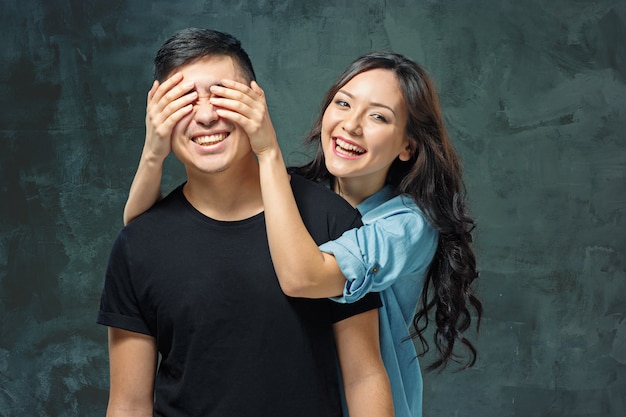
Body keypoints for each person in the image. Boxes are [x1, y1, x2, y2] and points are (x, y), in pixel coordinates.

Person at [124, 48, 482, 416]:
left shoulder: (406, 224)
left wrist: (267, 151)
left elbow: (303, 278)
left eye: (378, 116)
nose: (352, 125)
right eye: (343, 103)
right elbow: (146, 244)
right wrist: (153, 153)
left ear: (408, 145)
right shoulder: (295, 193)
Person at [98, 28, 394, 417]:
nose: (205, 115)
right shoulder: (137, 244)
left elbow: (364, 377)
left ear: (256, 101)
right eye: (184, 101)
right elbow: (128, 404)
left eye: (222, 96)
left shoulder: (332, 220)